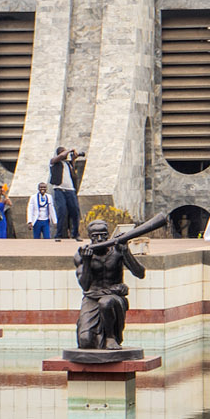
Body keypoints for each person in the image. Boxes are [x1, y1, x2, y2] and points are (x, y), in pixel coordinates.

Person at [74, 218, 146, 349]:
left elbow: (140, 273)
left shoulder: (117, 251)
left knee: (105, 302)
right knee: (85, 341)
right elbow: (85, 285)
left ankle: (111, 337)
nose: (100, 239)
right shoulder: (81, 255)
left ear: (108, 235)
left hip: (114, 297)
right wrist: (87, 263)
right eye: (96, 236)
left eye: (104, 235)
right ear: (90, 237)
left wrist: (126, 251)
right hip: (92, 298)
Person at [49, 146, 84, 241]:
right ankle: (59, 235)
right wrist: (69, 150)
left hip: (70, 190)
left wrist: (73, 158)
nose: (65, 154)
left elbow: (73, 173)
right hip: (59, 189)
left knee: (75, 212)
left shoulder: (68, 164)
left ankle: (76, 234)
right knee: (62, 211)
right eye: (63, 152)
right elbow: (61, 156)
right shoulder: (54, 162)